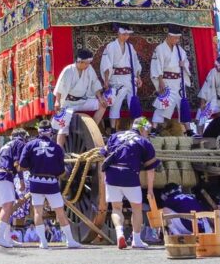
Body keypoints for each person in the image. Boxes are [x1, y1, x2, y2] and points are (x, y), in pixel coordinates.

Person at [18, 119, 81, 249]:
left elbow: (22, 165)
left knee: (37, 212)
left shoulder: (29, 145)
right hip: (51, 183)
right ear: (50, 132)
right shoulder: (57, 148)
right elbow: (61, 171)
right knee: (60, 212)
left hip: (35, 182)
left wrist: (33, 167)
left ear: (39, 131)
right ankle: (70, 241)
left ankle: (43, 242)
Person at [102, 117, 159, 249]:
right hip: (130, 176)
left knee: (116, 208)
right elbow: (151, 169)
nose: (147, 133)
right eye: (147, 130)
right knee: (136, 209)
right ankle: (136, 240)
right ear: (141, 128)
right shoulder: (144, 142)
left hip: (112, 176)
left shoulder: (115, 136)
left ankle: (120, 233)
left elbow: (104, 154)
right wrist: (150, 190)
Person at [53, 48, 106, 146]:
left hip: (83, 101)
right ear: (79, 61)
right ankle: (59, 149)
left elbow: (95, 83)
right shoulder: (68, 70)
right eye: (86, 63)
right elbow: (60, 86)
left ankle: (91, 130)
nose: (87, 65)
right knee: (63, 127)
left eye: (88, 63)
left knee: (102, 105)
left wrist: (100, 98)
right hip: (68, 103)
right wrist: (57, 101)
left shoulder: (89, 68)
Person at [0, 128, 29, 248]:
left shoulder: (4, 145)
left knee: (4, 209)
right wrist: (22, 181)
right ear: (22, 136)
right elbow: (18, 164)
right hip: (5, 175)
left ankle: (6, 238)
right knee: (7, 207)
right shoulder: (19, 143)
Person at [100, 26, 143, 125]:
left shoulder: (130, 47)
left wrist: (138, 77)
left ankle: (140, 129)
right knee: (116, 103)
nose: (126, 37)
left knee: (134, 103)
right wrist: (106, 80)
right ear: (118, 34)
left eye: (127, 35)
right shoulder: (111, 46)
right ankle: (113, 129)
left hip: (129, 78)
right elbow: (106, 64)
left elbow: (135, 62)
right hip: (116, 78)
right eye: (124, 34)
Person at [149, 26, 191, 127]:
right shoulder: (160, 49)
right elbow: (157, 65)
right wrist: (160, 81)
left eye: (178, 38)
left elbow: (186, 62)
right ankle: (154, 128)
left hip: (179, 81)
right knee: (163, 104)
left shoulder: (179, 49)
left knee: (182, 104)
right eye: (175, 38)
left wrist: (184, 64)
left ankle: (188, 130)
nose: (177, 40)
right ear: (169, 36)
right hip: (166, 80)